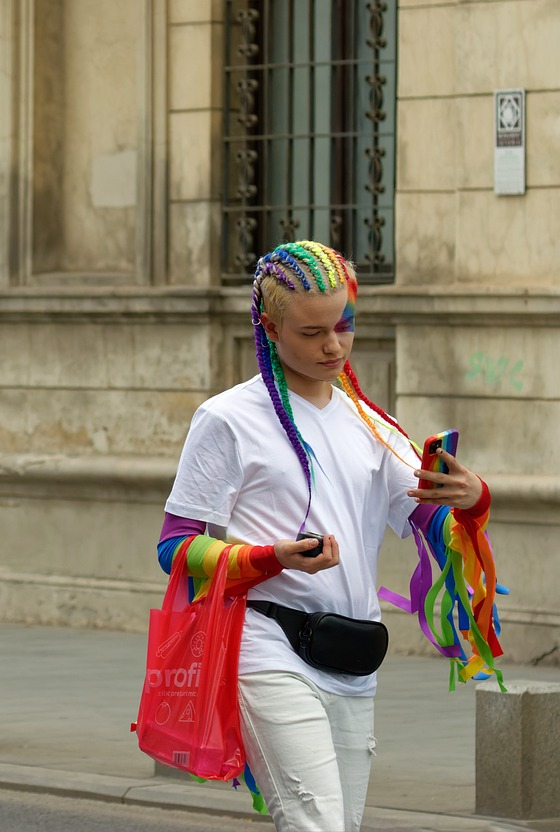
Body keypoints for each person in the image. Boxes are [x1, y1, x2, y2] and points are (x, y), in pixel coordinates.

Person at [157, 241, 502, 832]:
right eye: (313, 332)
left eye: (344, 326)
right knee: (315, 822)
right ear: (268, 327)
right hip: (264, 648)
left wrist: (472, 501)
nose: (333, 345)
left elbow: (428, 522)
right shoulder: (227, 418)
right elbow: (175, 547)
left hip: (352, 656)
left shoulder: (372, 423)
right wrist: (270, 558)